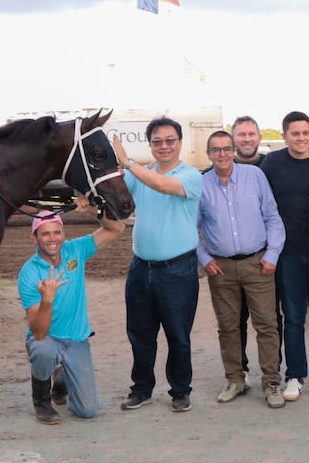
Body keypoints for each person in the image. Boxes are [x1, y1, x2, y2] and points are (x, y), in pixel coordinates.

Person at [112, 117, 204, 413]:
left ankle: (180, 391)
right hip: (140, 269)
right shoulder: (139, 175)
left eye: (169, 141)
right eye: (157, 142)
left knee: (178, 335)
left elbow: (163, 186)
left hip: (178, 270)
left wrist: (128, 163)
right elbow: (117, 204)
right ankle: (141, 389)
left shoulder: (190, 175)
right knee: (139, 334)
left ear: (179, 142)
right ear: (150, 144)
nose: (164, 146)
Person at [197, 131, 286, 409]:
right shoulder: (201, 185)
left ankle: (272, 382)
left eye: (226, 149)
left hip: (257, 264)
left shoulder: (254, 176)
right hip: (220, 268)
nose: (222, 154)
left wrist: (272, 254)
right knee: (228, 327)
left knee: (267, 325)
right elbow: (191, 227)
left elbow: (272, 216)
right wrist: (204, 258)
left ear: (233, 150)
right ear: (208, 154)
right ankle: (235, 379)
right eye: (215, 150)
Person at [18, 207, 125, 423]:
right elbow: (38, 333)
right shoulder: (28, 273)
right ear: (34, 237)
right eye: (45, 233)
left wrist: (92, 210)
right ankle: (42, 401)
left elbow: (117, 228)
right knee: (43, 350)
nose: (52, 239)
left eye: (57, 232)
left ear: (64, 233)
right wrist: (47, 300)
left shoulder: (75, 250)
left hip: (77, 339)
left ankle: (62, 378)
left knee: (87, 411)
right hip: (48, 339)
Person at [262, 111, 309, 402]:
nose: (301, 138)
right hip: (288, 255)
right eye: (295, 133)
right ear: (284, 136)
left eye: (306, 132)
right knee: (292, 319)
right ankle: (294, 375)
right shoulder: (272, 163)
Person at [231, 116, 265, 386]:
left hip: (267, 257)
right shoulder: (215, 170)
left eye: (251, 133)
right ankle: (239, 372)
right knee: (235, 319)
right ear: (233, 139)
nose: (246, 138)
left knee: (270, 320)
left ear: (259, 137)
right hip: (231, 260)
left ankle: (273, 374)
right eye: (241, 134)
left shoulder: (271, 165)